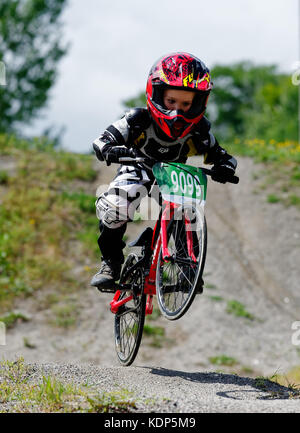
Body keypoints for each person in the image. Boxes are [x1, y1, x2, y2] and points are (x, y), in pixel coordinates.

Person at [90, 52, 237, 290]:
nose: (177, 111)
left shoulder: (199, 130)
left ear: (199, 102)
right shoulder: (137, 119)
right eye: (171, 101)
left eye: (186, 104)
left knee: (186, 212)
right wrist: (109, 149)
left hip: (174, 175)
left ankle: (189, 267)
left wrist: (224, 168)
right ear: (156, 94)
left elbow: (223, 156)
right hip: (137, 167)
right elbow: (101, 140)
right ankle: (110, 262)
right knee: (116, 206)